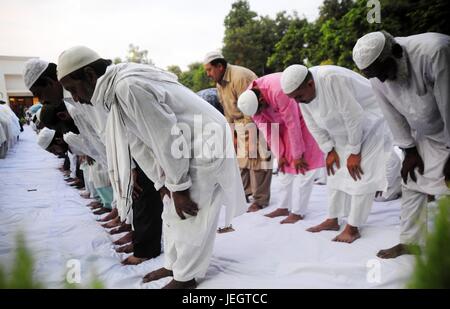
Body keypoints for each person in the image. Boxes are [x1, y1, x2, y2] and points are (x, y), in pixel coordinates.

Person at [57, 46, 246, 288]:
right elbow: (138, 142)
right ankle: (174, 264)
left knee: (191, 211)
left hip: (204, 141)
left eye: (73, 89)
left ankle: (186, 277)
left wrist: (179, 186)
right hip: (183, 144)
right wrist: (161, 183)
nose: (76, 98)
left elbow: (165, 136)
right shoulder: (115, 90)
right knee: (169, 209)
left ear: (90, 76)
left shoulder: (128, 86)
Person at [353, 31, 450, 258]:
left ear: (396, 53)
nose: (383, 80)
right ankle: (411, 241)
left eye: (384, 72)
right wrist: (409, 150)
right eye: (376, 76)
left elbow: (448, 102)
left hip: (447, 129)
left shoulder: (435, 51)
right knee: (411, 180)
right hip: (426, 134)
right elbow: (392, 113)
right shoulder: (377, 76)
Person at [281, 64, 390, 243]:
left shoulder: (331, 79)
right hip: (341, 130)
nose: (298, 101)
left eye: (299, 96)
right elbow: (311, 123)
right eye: (294, 99)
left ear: (309, 84)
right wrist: (329, 149)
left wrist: (355, 151)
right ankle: (333, 219)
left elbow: (353, 116)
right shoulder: (302, 96)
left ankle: (353, 227)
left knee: (361, 174)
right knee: (334, 172)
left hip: (371, 123)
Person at [237, 73, 324, 223]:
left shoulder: (278, 91)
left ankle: (298, 211)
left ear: (262, 99)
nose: (260, 114)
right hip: (282, 125)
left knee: (305, 168)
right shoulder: (251, 104)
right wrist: (280, 155)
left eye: (261, 110)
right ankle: (283, 207)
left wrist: (298, 155)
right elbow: (268, 130)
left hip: (303, 119)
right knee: (284, 168)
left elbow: (293, 123)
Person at [204, 51, 272, 212]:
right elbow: (228, 112)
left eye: (209, 70)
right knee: (241, 162)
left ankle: (260, 200)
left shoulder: (240, 76)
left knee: (259, 161)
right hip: (239, 124)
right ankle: (245, 193)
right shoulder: (219, 82)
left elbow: (251, 109)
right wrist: (232, 134)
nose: (208, 74)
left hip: (257, 119)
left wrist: (251, 138)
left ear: (220, 66)